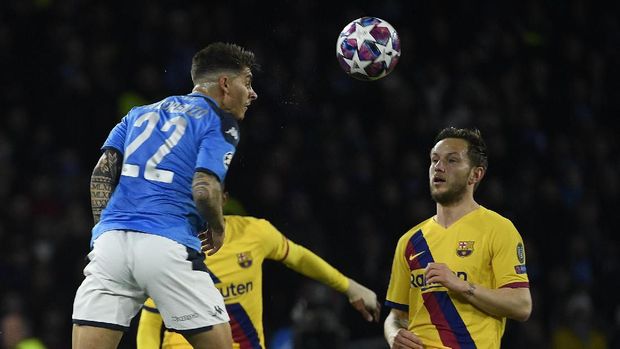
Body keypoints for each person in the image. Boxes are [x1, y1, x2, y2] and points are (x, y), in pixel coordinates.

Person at [71, 42, 259, 349]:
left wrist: (103, 231)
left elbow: (102, 173)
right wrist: (218, 226)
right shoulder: (220, 122)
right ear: (225, 84)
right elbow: (204, 188)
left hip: (110, 246)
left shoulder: (138, 114)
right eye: (247, 83)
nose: (252, 94)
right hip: (168, 245)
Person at [136, 191, 381, 349]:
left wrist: (351, 287)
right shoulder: (170, 247)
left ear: (224, 198)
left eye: (208, 196)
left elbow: (299, 257)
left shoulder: (254, 233)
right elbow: (150, 319)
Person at [383, 127, 532, 349]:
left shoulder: (498, 229)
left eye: (452, 160)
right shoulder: (410, 240)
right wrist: (393, 333)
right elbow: (397, 314)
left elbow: (521, 306)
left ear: (476, 174)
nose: (438, 167)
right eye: (434, 160)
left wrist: (462, 286)